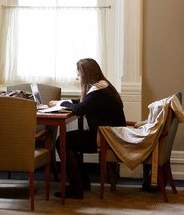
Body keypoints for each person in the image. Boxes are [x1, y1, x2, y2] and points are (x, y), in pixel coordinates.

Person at [49, 58, 126, 199]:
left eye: (78, 74)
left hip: (105, 137)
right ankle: (82, 182)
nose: (77, 77)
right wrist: (65, 103)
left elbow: (80, 109)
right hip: (109, 134)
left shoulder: (98, 92)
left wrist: (64, 103)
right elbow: (85, 103)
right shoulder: (104, 87)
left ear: (86, 75)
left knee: (63, 141)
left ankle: (76, 188)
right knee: (71, 141)